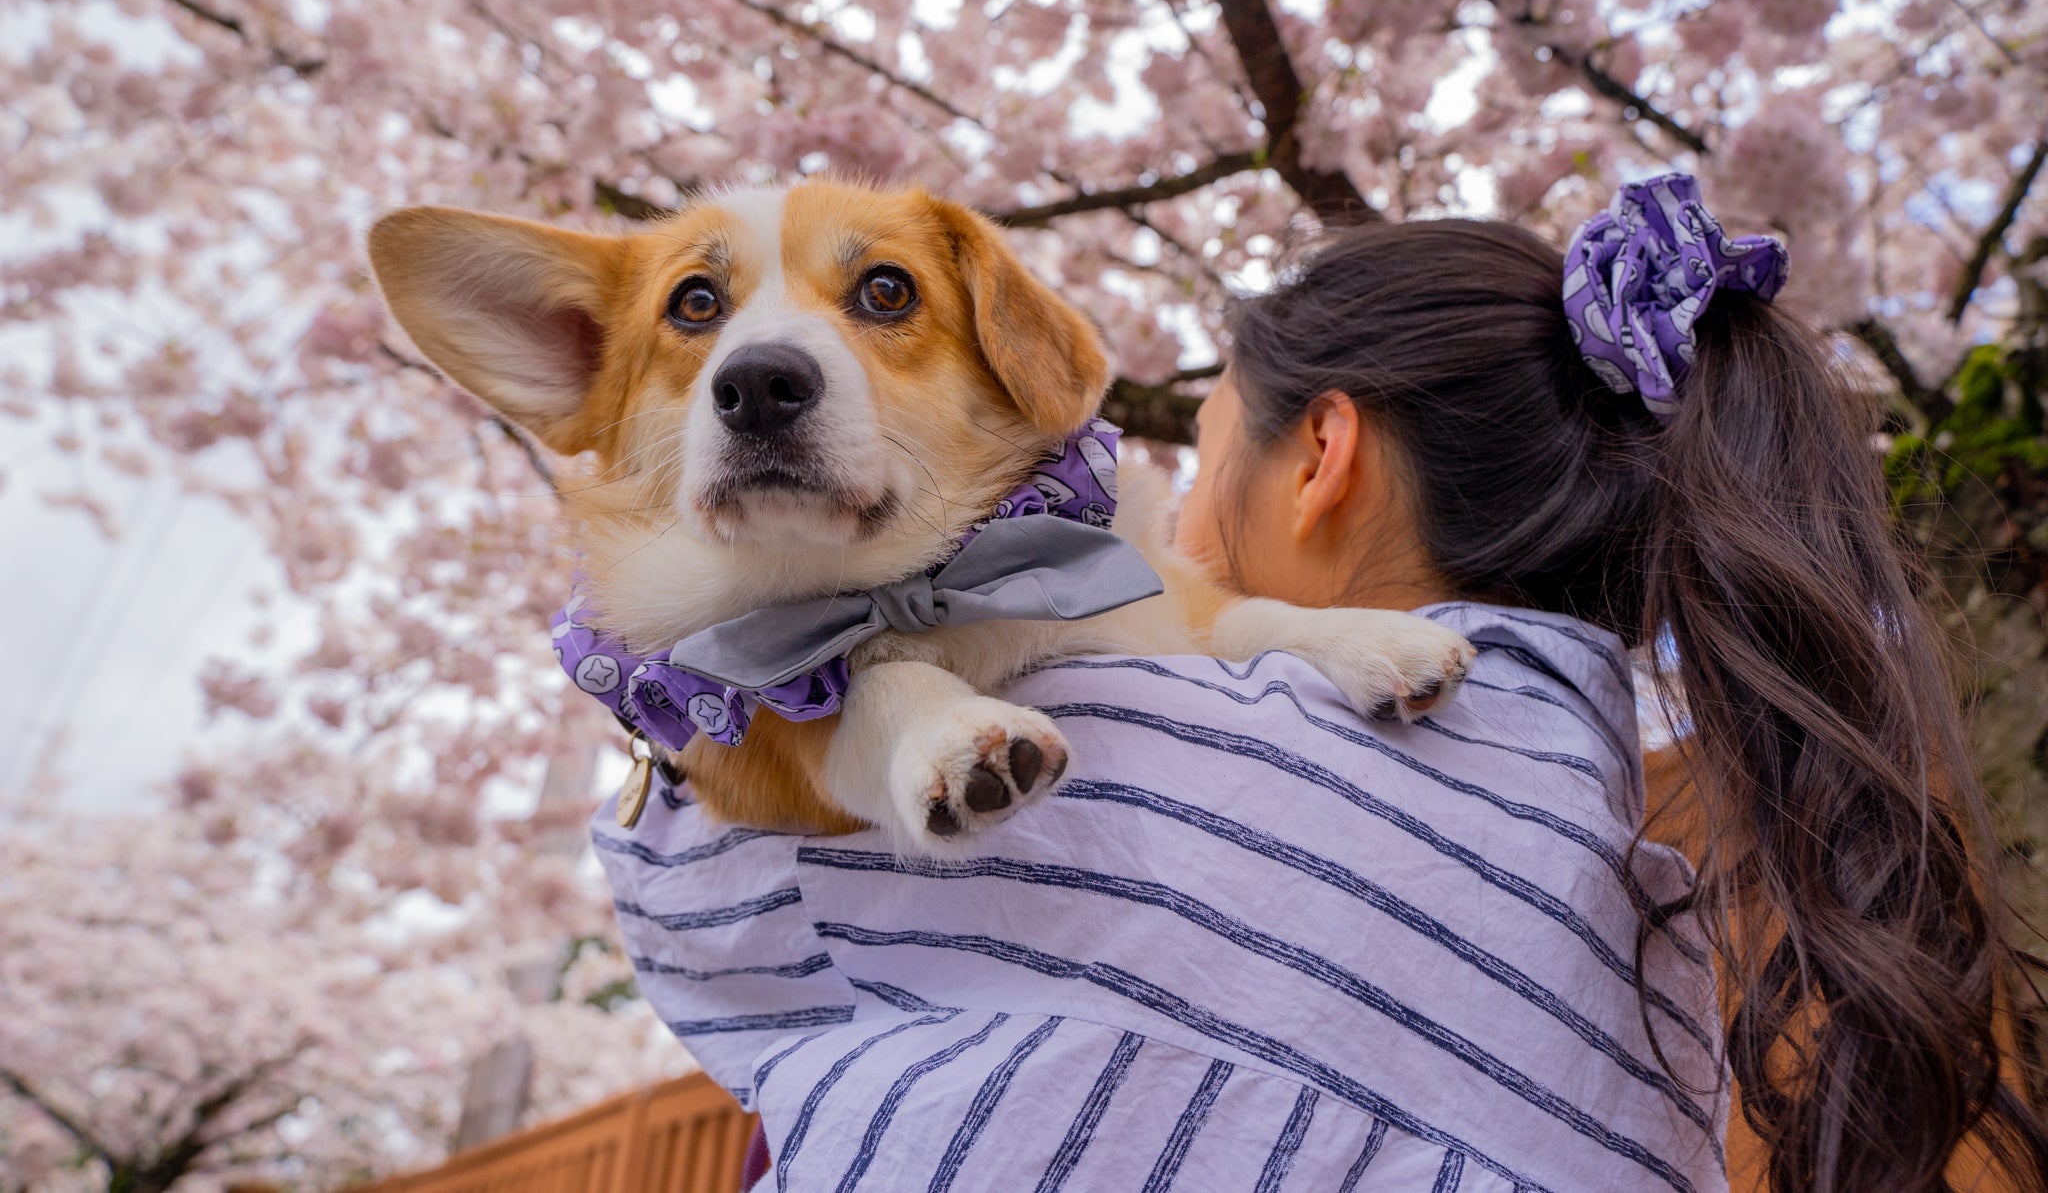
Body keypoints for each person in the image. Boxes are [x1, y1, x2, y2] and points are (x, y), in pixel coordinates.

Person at [591, 176, 2048, 1192]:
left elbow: (727, 920)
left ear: (1324, 453)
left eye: (1209, 441)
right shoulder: (1623, 875)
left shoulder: (1128, 759)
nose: (1163, 504)